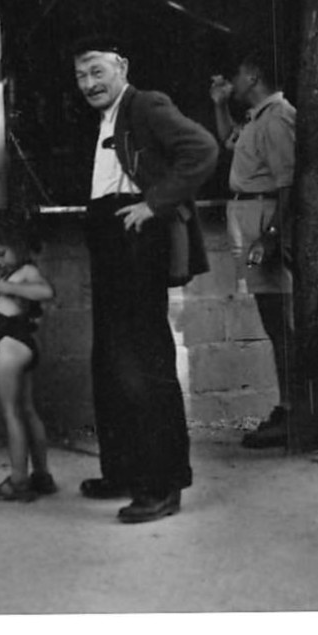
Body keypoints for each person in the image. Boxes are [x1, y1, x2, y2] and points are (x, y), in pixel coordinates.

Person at [72, 36, 216, 523]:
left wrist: (154, 204)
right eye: (81, 75)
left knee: (144, 359)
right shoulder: (106, 118)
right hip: (110, 233)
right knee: (111, 360)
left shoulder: (146, 105)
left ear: (121, 66)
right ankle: (126, 472)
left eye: (96, 71)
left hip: (136, 238)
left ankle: (162, 485)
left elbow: (202, 149)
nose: (89, 83)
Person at [210, 51, 297, 448]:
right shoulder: (255, 117)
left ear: (255, 74)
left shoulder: (277, 115)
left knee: (280, 321)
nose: (234, 78)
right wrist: (220, 105)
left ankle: (294, 410)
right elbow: (230, 142)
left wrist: (272, 235)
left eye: (239, 72)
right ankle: (289, 404)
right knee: (271, 317)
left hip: (264, 217)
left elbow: (287, 180)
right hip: (248, 215)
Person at [0, 211, 56, 504]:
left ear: (18, 244)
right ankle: (42, 474)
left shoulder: (25, 272)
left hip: (12, 348)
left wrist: (8, 288)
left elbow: (46, 291)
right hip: (19, 347)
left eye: (1, 254)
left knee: (12, 413)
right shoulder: (10, 273)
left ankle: (19, 479)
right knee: (27, 409)